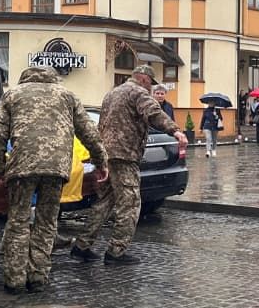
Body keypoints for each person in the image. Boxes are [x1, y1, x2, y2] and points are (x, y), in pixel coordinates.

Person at [0, 66, 108, 294]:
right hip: (57, 169)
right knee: (46, 221)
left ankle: (15, 280)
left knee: (18, 221)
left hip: (22, 166)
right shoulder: (67, 96)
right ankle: (38, 276)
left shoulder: (13, 94)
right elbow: (89, 132)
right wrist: (101, 162)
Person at [71, 65, 186, 265]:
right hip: (124, 155)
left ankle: (82, 246)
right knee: (130, 203)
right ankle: (116, 251)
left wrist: (98, 156)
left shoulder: (111, 94)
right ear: (143, 79)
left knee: (105, 202)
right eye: (151, 82)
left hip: (107, 155)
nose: (151, 87)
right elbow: (154, 113)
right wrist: (175, 131)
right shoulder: (138, 92)